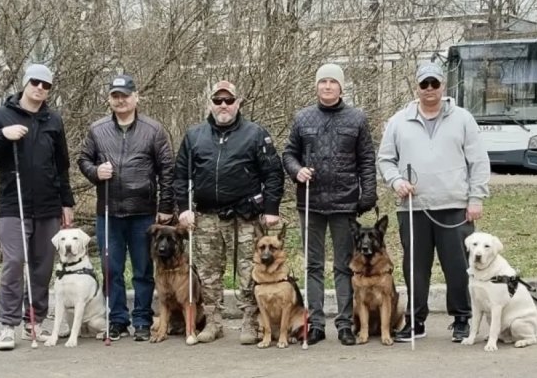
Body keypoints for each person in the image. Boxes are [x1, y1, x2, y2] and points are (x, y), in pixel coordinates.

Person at [377, 61, 490, 342]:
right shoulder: (398, 121)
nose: (429, 89)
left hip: (454, 206)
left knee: (458, 267)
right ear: (417, 87)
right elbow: (385, 159)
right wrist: (396, 181)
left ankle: (462, 318)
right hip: (413, 207)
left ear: (443, 86)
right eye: (424, 84)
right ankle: (415, 321)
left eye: (434, 83)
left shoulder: (463, 119)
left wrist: (476, 197)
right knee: (415, 268)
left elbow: (478, 161)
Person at [175, 80, 284, 345]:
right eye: (218, 100)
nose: (223, 105)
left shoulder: (255, 134)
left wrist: (271, 208)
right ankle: (213, 322)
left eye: (228, 100)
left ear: (238, 103)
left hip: (245, 216)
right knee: (208, 273)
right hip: (206, 216)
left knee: (249, 270)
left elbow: (273, 173)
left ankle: (250, 321)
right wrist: (183, 209)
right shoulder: (194, 136)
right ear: (210, 103)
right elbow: (180, 176)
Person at [0, 64, 75, 351]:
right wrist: (2, 135)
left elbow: (62, 166)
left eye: (46, 85)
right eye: (35, 82)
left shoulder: (53, 120)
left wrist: (67, 202)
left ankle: (34, 321)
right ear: (25, 83)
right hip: (13, 204)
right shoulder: (2, 115)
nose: (40, 88)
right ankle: (8, 325)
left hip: (48, 205)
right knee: (14, 263)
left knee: (42, 267)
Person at [282, 63, 377, 346]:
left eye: (332, 82)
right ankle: (316, 323)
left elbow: (366, 159)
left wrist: (368, 194)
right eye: (322, 81)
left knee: (344, 265)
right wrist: (297, 170)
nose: (327, 86)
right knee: (313, 265)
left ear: (341, 87)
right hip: (310, 202)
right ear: (316, 86)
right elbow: (288, 154)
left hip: (344, 203)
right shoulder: (303, 118)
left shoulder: (357, 118)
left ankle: (345, 324)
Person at [77, 74, 175, 342]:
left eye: (125, 96)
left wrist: (166, 206)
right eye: (115, 96)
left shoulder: (153, 130)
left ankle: (142, 319)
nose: (120, 100)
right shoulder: (97, 130)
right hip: (108, 211)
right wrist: (96, 172)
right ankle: (118, 319)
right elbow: (83, 160)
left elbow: (167, 170)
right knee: (111, 268)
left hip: (143, 212)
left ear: (136, 97)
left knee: (143, 269)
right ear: (110, 99)